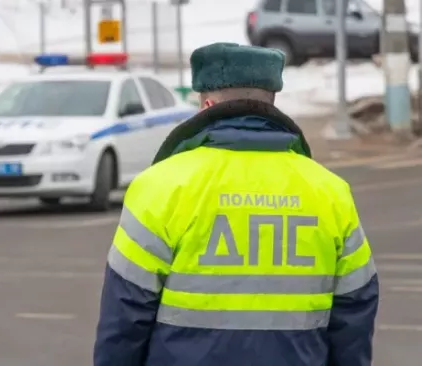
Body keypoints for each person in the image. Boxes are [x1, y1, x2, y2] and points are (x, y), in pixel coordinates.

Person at [93, 43, 378, 366]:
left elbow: (125, 315)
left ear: (208, 105)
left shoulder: (160, 186)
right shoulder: (330, 192)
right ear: (271, 102)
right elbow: (355, 310)